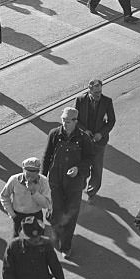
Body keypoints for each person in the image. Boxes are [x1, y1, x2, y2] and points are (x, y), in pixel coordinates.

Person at [41, 107, 93, 259]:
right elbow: (47, 156)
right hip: (55, 179)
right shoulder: (54, 134)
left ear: (76, 122)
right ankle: (55, 223)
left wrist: (79, 168)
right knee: (57, 211)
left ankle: (66, 245)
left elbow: (90, 158)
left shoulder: (83, 138)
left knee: (70, 214)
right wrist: (42, 177)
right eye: (63, 120)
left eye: (68, 121)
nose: (65, 124)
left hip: (74, 183)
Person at [74, 79, 116, 199]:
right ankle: (80, 186)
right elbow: (75, 119)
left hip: (99, 141)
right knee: (83, 165)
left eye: (100, 91)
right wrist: (84, 131)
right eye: (96, 92)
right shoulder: (80, 100)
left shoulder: (107, 101)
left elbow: (111, 121)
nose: (99, 95)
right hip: (83, 140)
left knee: (97, 168)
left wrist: (101, 134)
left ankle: (92, 192)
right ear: (89, 90)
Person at [0, 157, 52, 237]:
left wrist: (34, 192)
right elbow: (4, 196)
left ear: (38, 172)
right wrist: (12, 214)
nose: (30, 178)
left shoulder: (44, 181)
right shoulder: (14, 180)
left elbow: (47, 204)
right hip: (19, 216)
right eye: (28, 175)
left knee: (38, 242)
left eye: (33, 175)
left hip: (36, 216)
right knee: (18, 244)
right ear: (23, 170)